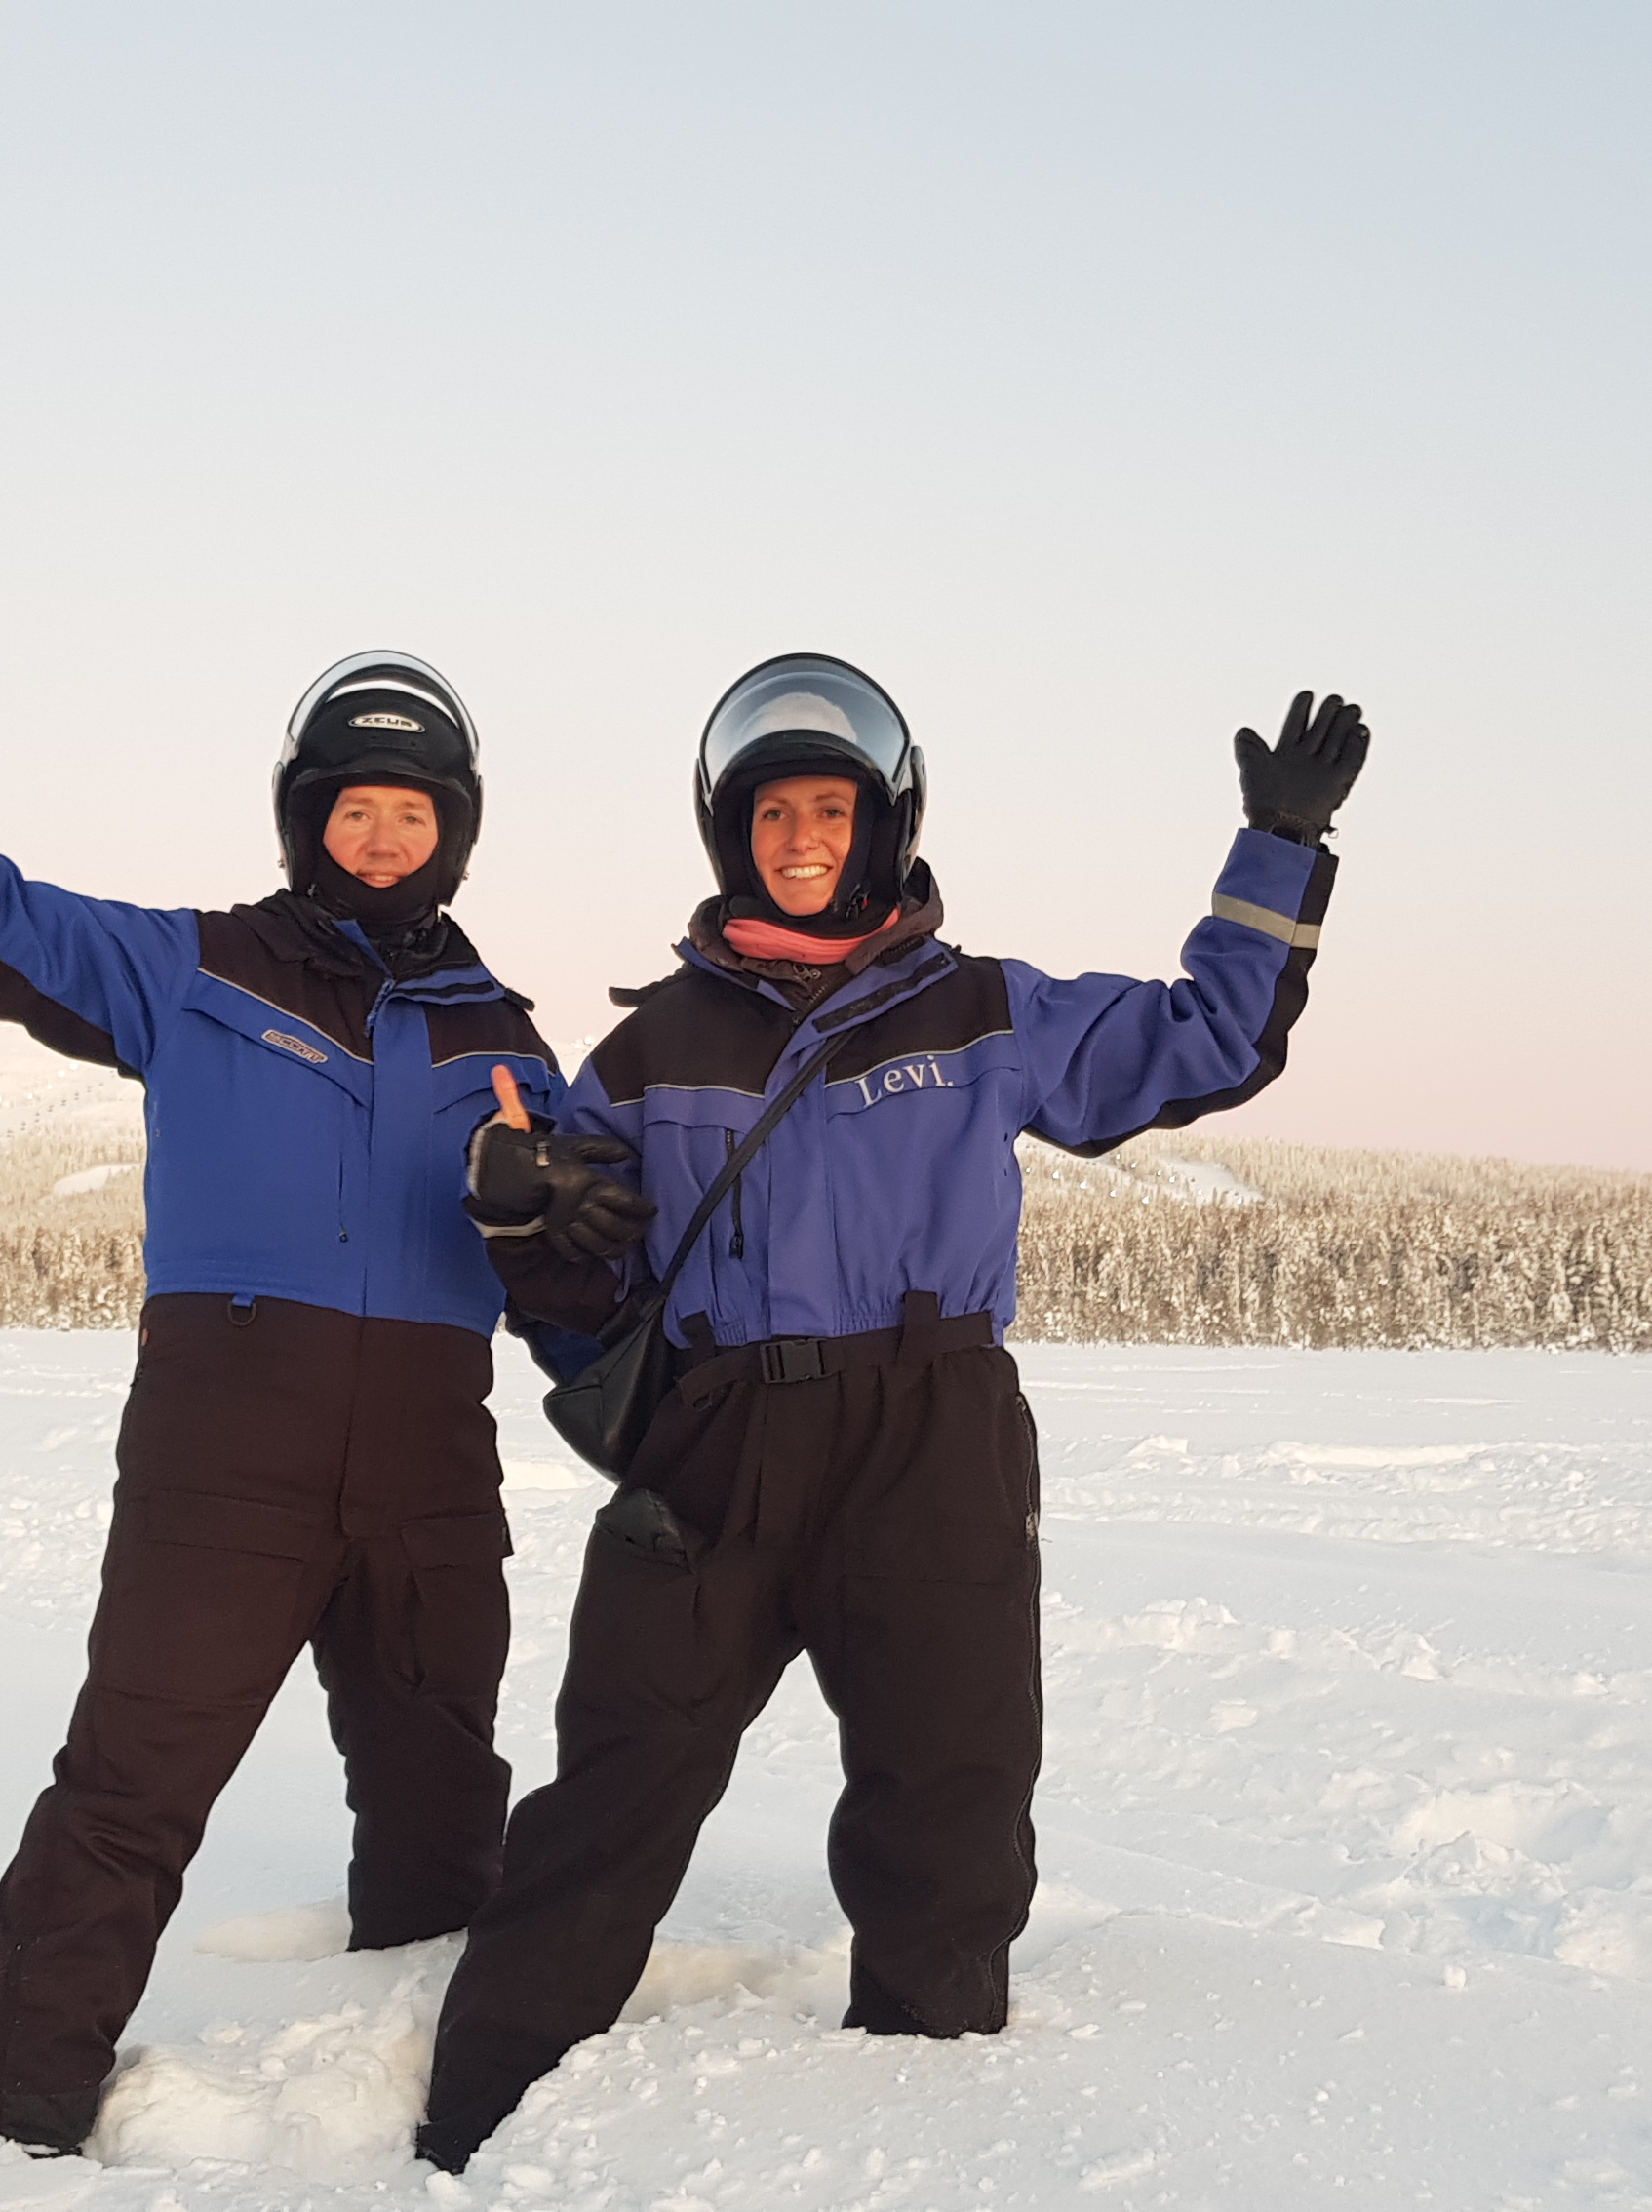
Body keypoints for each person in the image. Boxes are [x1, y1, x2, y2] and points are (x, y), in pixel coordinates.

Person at [420, 654, 1369, 2170]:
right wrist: (523, 1209)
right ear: (733, 833)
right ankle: (476, 2121)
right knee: (616, 1782)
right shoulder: (652, 1050)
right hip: (720, 1447)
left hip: (933, 1433)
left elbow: (1207, 1039)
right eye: (774, 812)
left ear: (882, 824)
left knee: (950, 1793)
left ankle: (930, 2124)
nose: (802, 837)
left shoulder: (984, 1008)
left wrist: (1281, 846)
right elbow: (580, 1302)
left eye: (830, 808)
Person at [0, 581, 648, 2154]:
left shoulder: (508, 1044)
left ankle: (422, 2090)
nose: (382, 838)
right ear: (306, 821)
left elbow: (571, 1299)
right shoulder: (197, 970)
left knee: (440, 1794)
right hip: (229, 1457)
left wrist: (565, 1246)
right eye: (354, 809)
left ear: (454, 834)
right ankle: (14, 2113)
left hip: (431, 1463)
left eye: (412, 814)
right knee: (134, 1781)